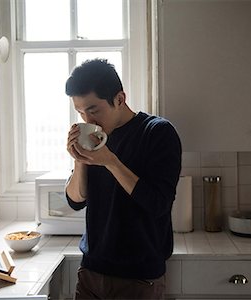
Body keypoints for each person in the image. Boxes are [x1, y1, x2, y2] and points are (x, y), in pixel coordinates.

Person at [65, 58, 182, 300]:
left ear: (120, 99)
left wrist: (111, 162)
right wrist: (79, 160)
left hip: (138, 279)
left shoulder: (157, 132)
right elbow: (76, 200)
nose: (87, 120)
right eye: (80, 112)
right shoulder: (94, 140)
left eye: (94, 110)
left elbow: (158, 204)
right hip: (90, 272)